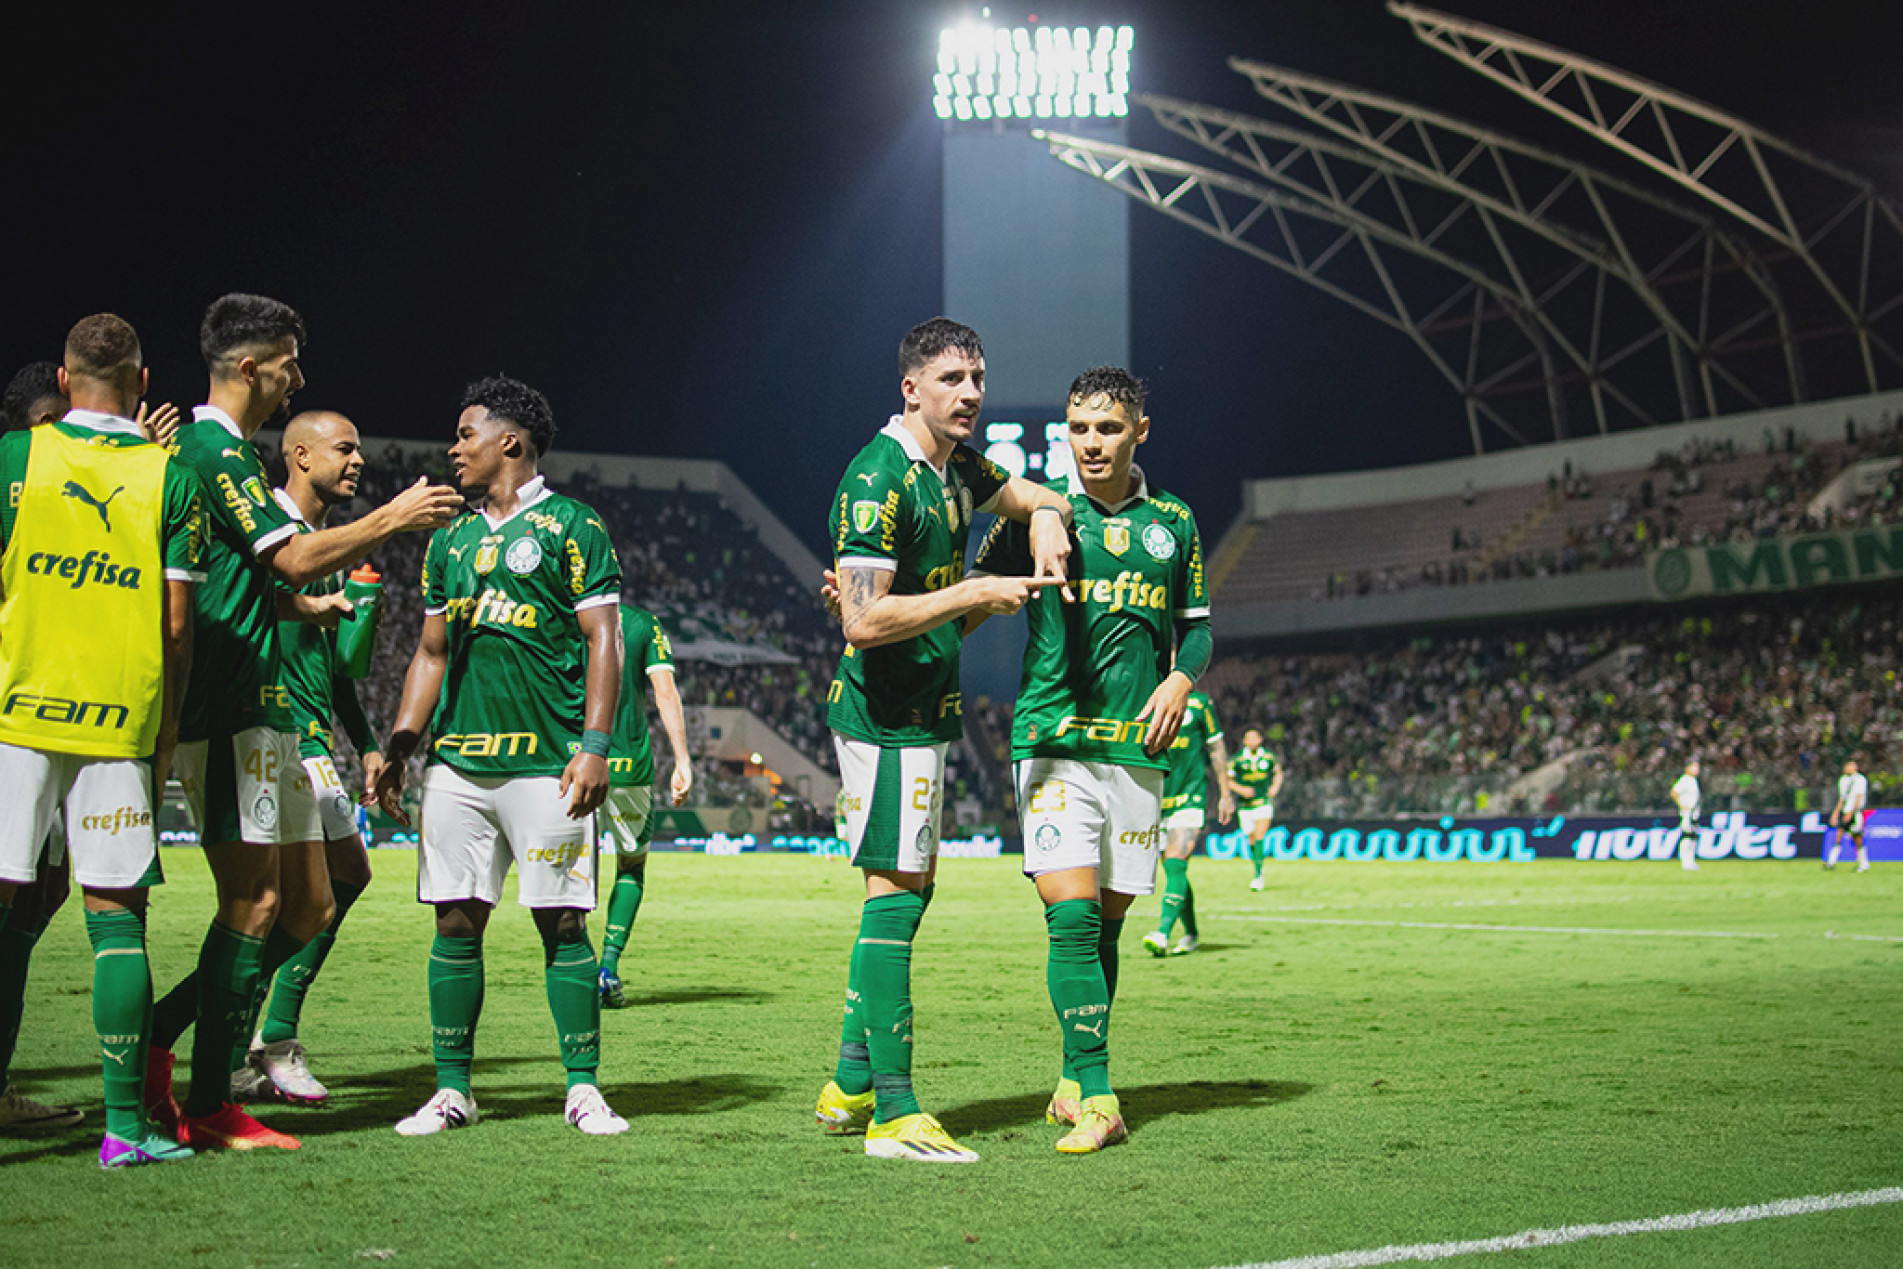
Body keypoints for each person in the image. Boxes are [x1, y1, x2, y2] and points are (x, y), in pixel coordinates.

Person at [145, 295, 461, 1151]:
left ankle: (171, 1043)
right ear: (251, 366)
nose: (297, 374)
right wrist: (391, 518)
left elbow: (244, 580)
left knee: (311, 900)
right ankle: (206, 1095)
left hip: (269, 713)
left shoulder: (228, 454)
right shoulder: (214, 449)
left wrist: (300, 608)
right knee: (255, 903)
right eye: (289, 359)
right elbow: (284, 553)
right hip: (231, 707)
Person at [814, 317, 1072, 1164]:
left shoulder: (956, 466)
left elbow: (1038, 494)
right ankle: (894, 1112)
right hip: (885, 716)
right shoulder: (876, 476)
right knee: (894, 893)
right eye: (954, 378)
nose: (971, 393)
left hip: (926, 709)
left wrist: (1044, 524)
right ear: (910, 387)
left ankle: (852, 1078)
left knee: (910, 891)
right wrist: (974, 592)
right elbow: (859, 617)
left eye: (978, 378)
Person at [370, 375, 629, 1137]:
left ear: (508, 442)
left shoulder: (574, 526)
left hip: (548, 762)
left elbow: (602, 639)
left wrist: (593, 746)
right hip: (458, 764)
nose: (453, 448)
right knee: (454, 922)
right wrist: (400, 743)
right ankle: (453, 1089)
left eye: (465, 435)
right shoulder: (447, 540)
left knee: (563, 924)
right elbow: (428, 651)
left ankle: (581, 1087)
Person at [971, 364, 1211, 1154]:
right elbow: (968, 594)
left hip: (1135, 752)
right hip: (1050, 738)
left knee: (1105, 924)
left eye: (1107, 427)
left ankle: (1073, 1077)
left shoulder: (1173, 522)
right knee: (1069, 917)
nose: (1090, 443)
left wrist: (1179, 675)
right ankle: (1100, 1091)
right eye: (1077, 428)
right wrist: (888, 615)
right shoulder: (1042, 512)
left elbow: (1198, 627)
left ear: (1139, 429)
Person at [0, 315, 203, 1166]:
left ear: (63, 373)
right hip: (119, 720)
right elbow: (178, 624)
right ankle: (125, 1131)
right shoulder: (171, 476)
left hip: (15, 714)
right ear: (144, 381)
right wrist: (160, 738)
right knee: (118, 921)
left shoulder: (16, 458)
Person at [229, 412, 386, 1105]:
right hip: (271, 728)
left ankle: (251, 1037)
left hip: (315, 732)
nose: (357, 460)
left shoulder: (329, 544)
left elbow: (338, 666)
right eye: (343, 448)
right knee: (270, 900)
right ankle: (251, 1038)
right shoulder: (263, 525)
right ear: (298, 454)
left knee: (328, 884)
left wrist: (374, 745)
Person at [596, 602, 694, 1008]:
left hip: (569, 763)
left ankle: (572, 966)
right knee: (631, 866)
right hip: (627, 766)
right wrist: (682, 759)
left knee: (569, 870)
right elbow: (665, 692)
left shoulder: (558, 613)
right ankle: (607, 968)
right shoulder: (642, 624)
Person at [1142, 689, 1232, 958]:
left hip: (1189, 796)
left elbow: (1216, 747)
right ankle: (1191, 933)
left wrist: (1225, 793)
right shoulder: (1142, 698)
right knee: (1173, 871)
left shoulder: (1200, 703)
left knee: (1176, 860)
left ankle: (1162, 933)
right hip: (1156, 799)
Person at [1228, 730, 1283, 891]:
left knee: (1259, 836)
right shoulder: (1237, 760)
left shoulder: (1268, 758)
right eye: (1249, 738)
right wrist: (1240, 789)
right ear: (1244, 741)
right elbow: (1228, 780)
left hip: (1263, 803)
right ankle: (1258, 863)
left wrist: (1274, 788)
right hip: (1245, 806)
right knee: (1251, 840)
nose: (1252, 741)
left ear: (1260, 740)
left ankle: (1258, 876)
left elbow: (1278, 773)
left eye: (1255, 738)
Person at [1826, 758, 1870, 872]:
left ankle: (1863, 862)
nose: (1849, 768)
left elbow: (1859, 797)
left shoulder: (1860, 780)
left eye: (1852, 766)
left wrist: (1851, 813)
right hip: (1845, 811)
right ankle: (1831, 862)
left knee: (1857, 838)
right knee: (1838, 835)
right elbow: (1842, 798)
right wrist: (1835, 813)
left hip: (1855, 813)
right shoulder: (1843, 780)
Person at [1671, 758, 1701, 871]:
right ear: (1687, 768)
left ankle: (1691, 861)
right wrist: (1682, 805)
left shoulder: (1693, 780)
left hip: (1694, 813)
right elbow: (1674, 792)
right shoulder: (1684, 780)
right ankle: (1685, 861)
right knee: (1687, 835)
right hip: (1687, 813)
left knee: (1693, 836)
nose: (1696, 769)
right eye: (1694, 767)